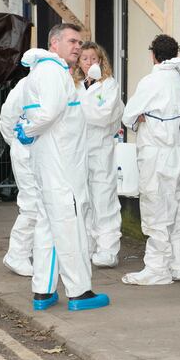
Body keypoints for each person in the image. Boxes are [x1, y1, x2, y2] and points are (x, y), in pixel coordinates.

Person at [14, 23, 109, 311]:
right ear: (54, 43)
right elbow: (51, 113)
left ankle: (43, 291)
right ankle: (79, 292)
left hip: (51, 163)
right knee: (69, 226)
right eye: (72, 41)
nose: (78, 47)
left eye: (80, 42)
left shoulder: (45, 71)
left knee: (48, 228)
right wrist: (29, 129)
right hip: (62, 167)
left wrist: (28, 129)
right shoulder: (53, 72)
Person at [121, 34, 180, 285]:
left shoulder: (152, 81)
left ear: (154, 54)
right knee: (178, 211)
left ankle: (157, 268)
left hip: (157, 154)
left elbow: (129, 115)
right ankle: (179, 264)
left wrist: (139, 117)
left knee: (156, 211)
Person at [72, 42, 125, 268]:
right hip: (78, 150)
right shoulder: (74, 84)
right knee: (82, 201)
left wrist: (79, 109)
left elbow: (103, 116)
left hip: (101, 149)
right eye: (85, 59)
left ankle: (108, 249)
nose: (89, 63)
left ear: (101, 61)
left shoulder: (109, 85)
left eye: (94, 58)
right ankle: (88, 246)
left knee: (104, 200)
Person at [0, 77, 37, 277]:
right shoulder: (25, 85)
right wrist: (18, 143)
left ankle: (31, 251)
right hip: (27, 153)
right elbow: (7, 120)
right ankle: (17, 254)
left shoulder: (60, 81)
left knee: (45, 205)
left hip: (43, 154)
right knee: (32, 204)